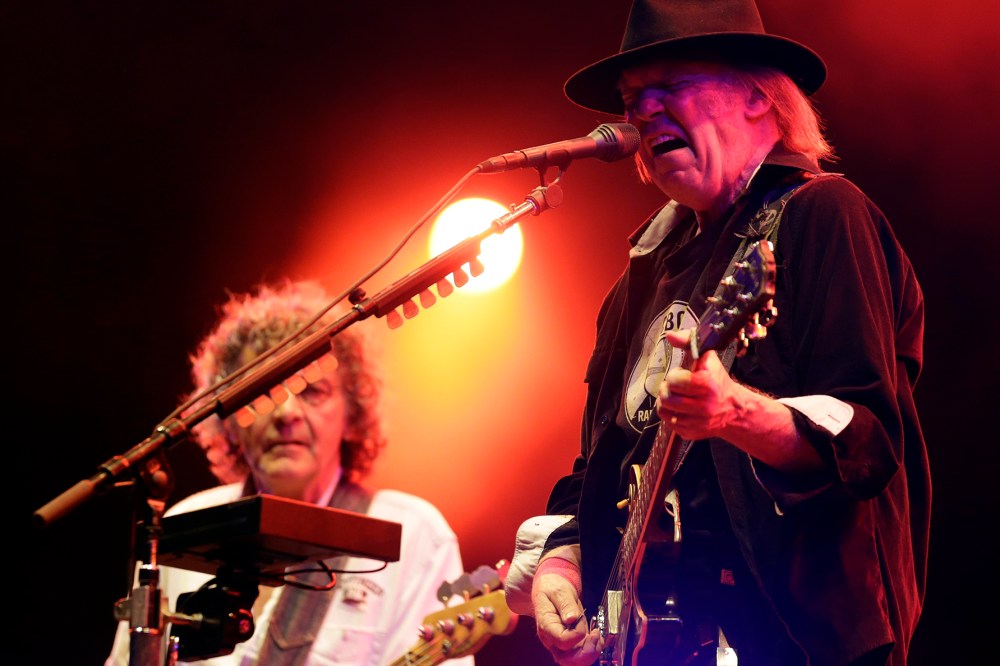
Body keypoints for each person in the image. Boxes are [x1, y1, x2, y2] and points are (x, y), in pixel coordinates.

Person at [504, 1, 930, 665]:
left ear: (758, 97)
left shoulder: (823, 215)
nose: (643, 113)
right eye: (631, 98)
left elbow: (866, 438)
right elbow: (601, 466)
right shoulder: (639, 278)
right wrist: (563, 561)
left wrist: (737, 414)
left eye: (670, 86)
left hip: (793, 641)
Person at [107, 279, 475, 665]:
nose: (285, 413)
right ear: (228, 418)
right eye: (264, 392)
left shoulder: (412, 534)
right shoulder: (185, 525)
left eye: (312, 391)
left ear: (353, 412)